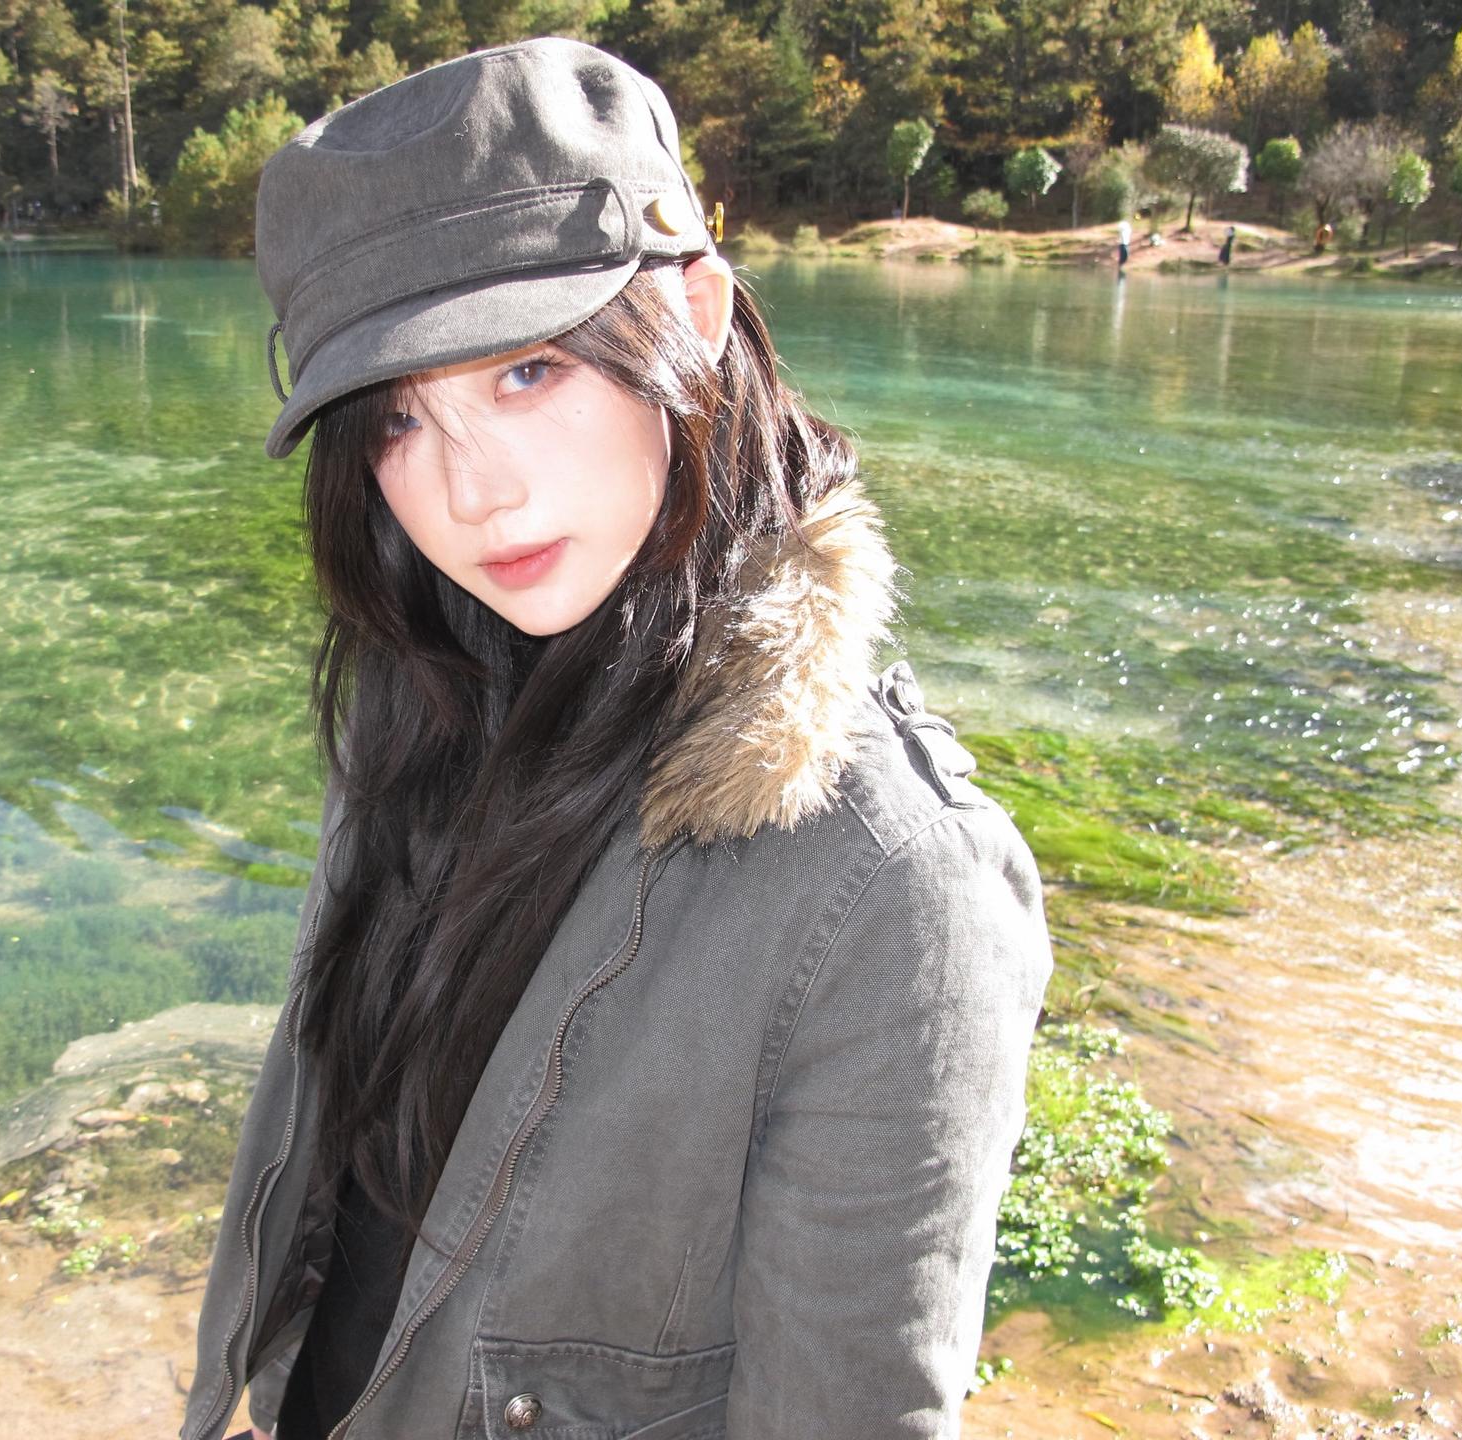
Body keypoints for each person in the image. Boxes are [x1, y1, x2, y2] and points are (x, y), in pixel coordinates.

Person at [180, 37, 1052, 1440]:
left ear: (695, 307)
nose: (471, 493)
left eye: (528, 371)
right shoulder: (422, 699)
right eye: (396, 418)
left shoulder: (893, 888)